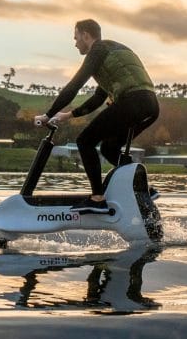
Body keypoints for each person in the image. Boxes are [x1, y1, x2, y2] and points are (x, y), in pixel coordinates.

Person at [34, 19, 159, 212]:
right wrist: (68, 115)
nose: (75, 44)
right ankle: (144, 190)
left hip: (133, 101)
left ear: (86, 35)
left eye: (76, 38)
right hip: (150, 106)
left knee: (85, 141)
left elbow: (75, 85)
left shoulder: (98, 50)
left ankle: (97, 199)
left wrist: (47, 114)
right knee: (109, 148)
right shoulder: (111, 53)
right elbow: (99, 98)